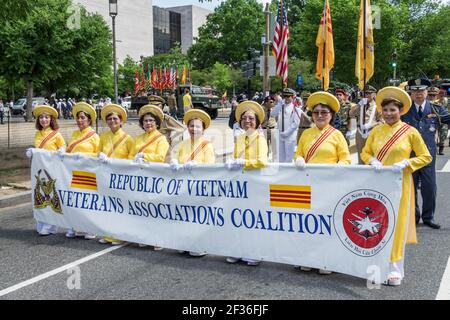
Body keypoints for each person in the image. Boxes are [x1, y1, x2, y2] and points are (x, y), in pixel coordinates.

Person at [361, 86, 432, 286]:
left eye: (393, 110)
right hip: (377, 183)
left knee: (396, 224)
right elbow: (365, 152)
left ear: (401, 111)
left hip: (400, 184)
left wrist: (408, 163)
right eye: (386, 110)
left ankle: (394, 268)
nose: (389, 114)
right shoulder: (376, 131)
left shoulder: (410, 132)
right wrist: (371, 160)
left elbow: (425, 156)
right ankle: (375, 266)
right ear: (381, 111)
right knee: (376, 224)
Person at [294, 92, 350, 275]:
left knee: (327, 223)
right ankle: (309, 257)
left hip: (329, 185)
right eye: (316, 112)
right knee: (308, 223)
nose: (319, 115)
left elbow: (346, 159)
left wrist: (338, 167)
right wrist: (299, 159)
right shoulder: (306, 133)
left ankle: (327, 260)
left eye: (324, 112)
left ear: (331, 115)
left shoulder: (337, 135)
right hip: (308, 185)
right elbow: (299, 153)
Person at [401, 78, 450, 229]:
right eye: (415, 91)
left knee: (429, 186)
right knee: (411, 186)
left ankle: (428, 217)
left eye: (421, 90)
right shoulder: (404, 110)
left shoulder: (435, 108)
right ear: (411, 93)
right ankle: (414, 216)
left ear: (427, 92)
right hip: (409, 155)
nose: (419, 94)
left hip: (428, 155)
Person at [225, 100, 268, 266]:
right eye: (244, 118)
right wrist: (231, 162)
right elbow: (236, 158)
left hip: (255, 184)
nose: (247, 121)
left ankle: (254, 252)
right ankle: (237, 250)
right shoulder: (240, 137)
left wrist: (244, 163)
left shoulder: (260, 138)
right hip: (240, 185)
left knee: (253, 219)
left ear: (257, 121)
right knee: (238, 218)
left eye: (251, 118)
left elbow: (262, 161)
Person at [170, 109, 215, 257]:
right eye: (191, 126)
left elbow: (210, 167)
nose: (194, 129)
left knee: (198, 217)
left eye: (197, 126)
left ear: (203, 129)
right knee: (184, 215)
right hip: (183, 187)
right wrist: (174, 161)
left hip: (199, 187)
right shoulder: (183, 144)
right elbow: (175, 155)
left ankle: (200, 245)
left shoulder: (207, 145)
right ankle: (185, 243)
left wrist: (197, 166)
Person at [131, 104, 170, 250]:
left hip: (155, 177)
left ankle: (158, 238)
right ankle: (145, 236)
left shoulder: (161, 139)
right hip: (139, 177)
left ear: (157, 123)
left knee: (155, 208)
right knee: (142, 207)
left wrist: (144, 156)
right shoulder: (138, 138)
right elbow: (131, 155)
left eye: (151, 121)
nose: (148, 123)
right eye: (146, 121)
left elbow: (160, 157)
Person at [98, 103, 134, 245]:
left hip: (121, 177)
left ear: (121, 121)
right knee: (107, 205)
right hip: (106, 175)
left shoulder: (128, 138)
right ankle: (108, 234)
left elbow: (132, 158)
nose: (112, 121)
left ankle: (121, 235)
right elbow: (98, 152)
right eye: (109, 119)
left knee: (119, 206)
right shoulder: (103, 137)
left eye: (115, 119)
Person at [64, 102, 100, 239]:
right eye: (78, 117)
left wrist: (85, 156)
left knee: (88, 201)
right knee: (74, 200)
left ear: (89, 120)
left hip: (88, 173)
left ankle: (90, 228)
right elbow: (69, 150)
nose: (80, 120)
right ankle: (74, 226)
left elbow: (98, 155)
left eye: (83, 118)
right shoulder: (74, 134)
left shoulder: (94, 136)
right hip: (73, 173)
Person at [30, 105, 66, 236]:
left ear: (51, 119)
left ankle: (51, 225)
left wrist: (61, 150)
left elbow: (63, 149)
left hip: (52, 170)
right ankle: (42, 221)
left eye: (46, 117)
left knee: (50, 196)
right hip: (40, 170)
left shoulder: (57, 134)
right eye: (41, 117)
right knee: (39, 195)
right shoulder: (37, 134)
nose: (44, 120)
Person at [349, 85, 383, 164]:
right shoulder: (360, 105)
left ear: (374, 94)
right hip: (360, 133)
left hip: (372, 132)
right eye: (364, 93)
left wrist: (372, 125)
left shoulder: (377, 106)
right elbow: (351, 114)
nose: (366, 95)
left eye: (369, 93)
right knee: (360, 155)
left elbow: (382, 121)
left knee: (372, 156)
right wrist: (359, 105)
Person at [270, 88, 301, 163]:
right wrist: (279, 105)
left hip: (290, 135)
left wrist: (287, 133)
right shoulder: (281, 106)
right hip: (280, 134)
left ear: (292, 97)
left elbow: (296, 123)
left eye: (288, 96)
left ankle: (289, 173)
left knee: (288, 157)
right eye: (285, 96)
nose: (286, 98)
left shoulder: (296, 108)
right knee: (280, 158)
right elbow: (273, 114)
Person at [429, 87, 448, 155]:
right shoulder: (425, 104)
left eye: (433, 95)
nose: (431, 97)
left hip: (441, 122)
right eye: (430, 95)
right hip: (430, 125)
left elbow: (445, 114)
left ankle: (441, 148)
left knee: (443, 135)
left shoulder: (441, 104)